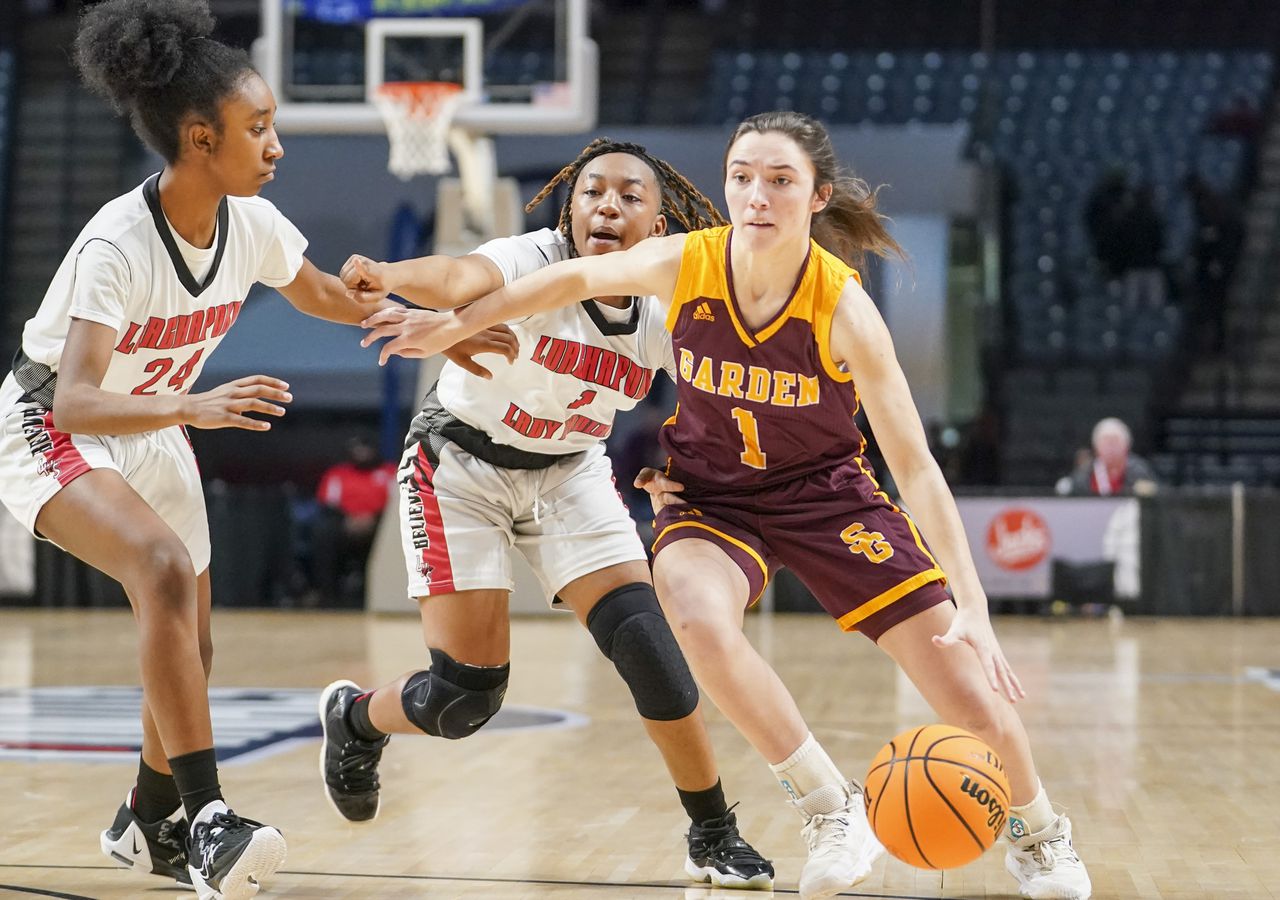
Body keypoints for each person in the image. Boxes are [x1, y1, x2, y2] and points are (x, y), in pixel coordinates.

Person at [361, 111, 1094, 900]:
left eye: (780, 181)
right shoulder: (686, 263)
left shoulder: (843, 308)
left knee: (967, 692)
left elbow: (914, 467)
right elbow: (569, 279)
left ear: (815, 198)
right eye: (742, 176)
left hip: (826, 497)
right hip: (709, 497)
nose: (757, 195)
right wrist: (456, 327)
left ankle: (1042, 836)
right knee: (696, 619)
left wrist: (973, 601)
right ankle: (828, 806)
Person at [0, 2, 497, 897]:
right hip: (54, 425)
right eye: (258, 129)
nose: (275, 147)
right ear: (199, 138)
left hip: (154, 418)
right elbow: (74, 399)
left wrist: (439, 330)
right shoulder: (118, 241)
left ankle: (148, 815)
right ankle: (209, 821)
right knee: (155, 569)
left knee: (195, 638)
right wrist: (195, 402)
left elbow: (317, 294)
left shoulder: (251, 223)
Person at [318, 138, 774, 890]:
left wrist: (685, 473)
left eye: (631, 196)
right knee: (465, 698)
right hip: (460, 467)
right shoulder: (535, 257)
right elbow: (462, 273)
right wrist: (392, 275)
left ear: (657, 230)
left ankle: (713, 831)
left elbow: (716, 403)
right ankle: (358, 719)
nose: (608, 205)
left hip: (570, 473)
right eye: (594, 191)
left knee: (650, 649)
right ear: (572, 208)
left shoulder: (665, 307)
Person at [309, 433, 396, 606]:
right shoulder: (338, 474)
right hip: (345, 525)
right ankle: (328, 595)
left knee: (393, 535)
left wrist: (373, 519)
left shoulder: (391, 472)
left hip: (379, 525)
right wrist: (349, 519)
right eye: (358, 449)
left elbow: (396, 503)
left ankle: (378, 597)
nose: (362, 453)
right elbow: (327, 505)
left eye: (366, 449)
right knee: (324, 533)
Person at [1060, 417, 1158, 497]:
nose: (1111, 447)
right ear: (1096, 447)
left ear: (1127, 446)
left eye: (1115, 441)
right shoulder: (1084, 474)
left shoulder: (1140, 472)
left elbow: (1161, 496)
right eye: (1106, 441)